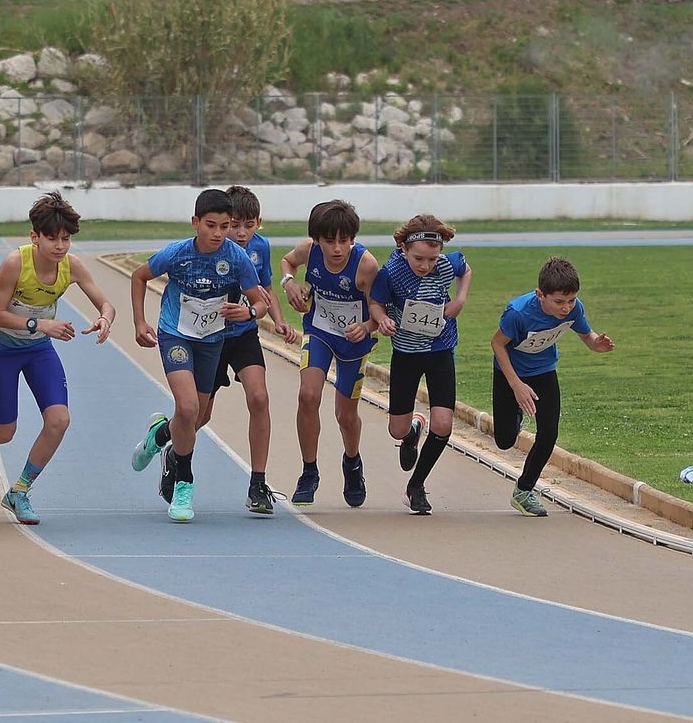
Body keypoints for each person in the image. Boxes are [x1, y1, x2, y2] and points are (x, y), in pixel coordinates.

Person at [129, 189, 285, 522]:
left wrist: (251, 313)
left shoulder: (238, 258)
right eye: (211, 225)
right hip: (176, 333)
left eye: (224, 226)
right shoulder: (177, 254)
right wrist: (140, 321)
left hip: (213, 339)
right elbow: (139, 276)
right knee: (187, 407)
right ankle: (184, 483)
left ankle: (159, 436)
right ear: (195, 222)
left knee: (195, 416)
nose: (219, 233)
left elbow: (260, 299)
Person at [0, 192, 116, 525]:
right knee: (5, 432)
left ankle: (19, 491)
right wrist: (40, 323)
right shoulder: (15, 263)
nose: (60, 246)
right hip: (2, 351)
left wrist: (105, 319)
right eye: (52, 238)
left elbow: (106, 304)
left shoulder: (72, 266)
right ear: (35, 237)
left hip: (37, 351)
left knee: (59, 419)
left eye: (66, 239)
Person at [490, 256, 615, 516]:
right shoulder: (518, 312)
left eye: (570, 300)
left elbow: (587, 336)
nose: (566, 307)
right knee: (504, 441)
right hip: (510, 374)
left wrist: (596, 344)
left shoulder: (574, 308)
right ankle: (516, 413)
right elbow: (497, 344)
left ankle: (524, 490)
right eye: (559, 301)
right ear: (540, 295)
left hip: (544, 371)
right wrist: (516, 385)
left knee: (548, 433)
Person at [368, 215, 472, 516]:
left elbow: (466, 270)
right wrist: (383, 318)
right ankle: (412, 431)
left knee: (443, 424)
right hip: (406, 353)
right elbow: (376, 302)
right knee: (395, 429)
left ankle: (416, 486)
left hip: (440, 348)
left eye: (431, 258)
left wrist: (460, 300)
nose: (425, 265)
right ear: (403, 248)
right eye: (419, 259)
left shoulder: (447, 264)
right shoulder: (392, 272)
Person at [280, 200, 381, 508]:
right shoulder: (308, 252)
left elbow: (381, 312)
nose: (337, 248)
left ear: (353, 237)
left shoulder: (366, 265)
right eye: (329, 241)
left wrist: (366, 326)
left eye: (344, 240)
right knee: (308, 396)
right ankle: (309, 472)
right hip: (320, 333)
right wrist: (289, 284)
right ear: (317, 238)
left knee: (346, 416)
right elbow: (287, 262)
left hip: (353, 343)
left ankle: (352, 463)